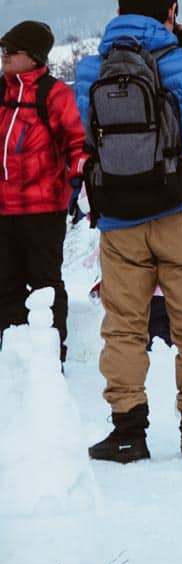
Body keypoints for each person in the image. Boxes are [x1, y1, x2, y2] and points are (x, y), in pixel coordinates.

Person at [76, 0, 182, 463]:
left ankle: (127, 430)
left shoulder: (89, 68)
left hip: (119, 219)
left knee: (123, 325)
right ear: (171, 10)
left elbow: (85, 132)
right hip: (179, 211)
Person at [0, 20, 87, 360]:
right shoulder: (1, 91)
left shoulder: (54, 94)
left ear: (34, 57)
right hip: (3, 210)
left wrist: (78, 187)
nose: (4, 56)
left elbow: (78, 145)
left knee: (44, 286)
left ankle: (50, 359)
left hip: (42, 210)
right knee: (5, 285)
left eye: (12, 51)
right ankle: (12, 360)